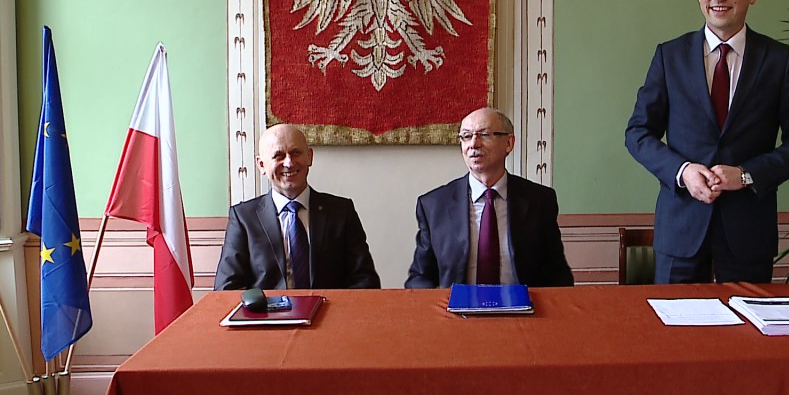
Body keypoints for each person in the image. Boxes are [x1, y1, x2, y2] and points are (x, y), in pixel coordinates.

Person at [625, 0, 789, 284]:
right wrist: (683, 172)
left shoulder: (779, 61)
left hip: (749, 232)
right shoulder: (669, 56)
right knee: (675, 320)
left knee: (746, 320)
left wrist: (746, 175)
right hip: (681, 231)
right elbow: (638, 133)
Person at [405, 108, 574, 288]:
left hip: (523, 305)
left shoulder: (540, 201)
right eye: (466, 136)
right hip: (458, 305)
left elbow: (557, 275)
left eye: (484, 135)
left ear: (508, 143)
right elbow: (420, 278)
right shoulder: (434, 205)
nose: (473, 144)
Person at [214, 123, 381, 290]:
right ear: (261, 165)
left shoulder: (341, 212)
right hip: (268, 307)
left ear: (309, 157)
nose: (289, 163)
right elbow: (226, 288)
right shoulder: (243, 218)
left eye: (296, 153)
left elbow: (365, 281)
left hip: (331, 306)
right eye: (278, 156)